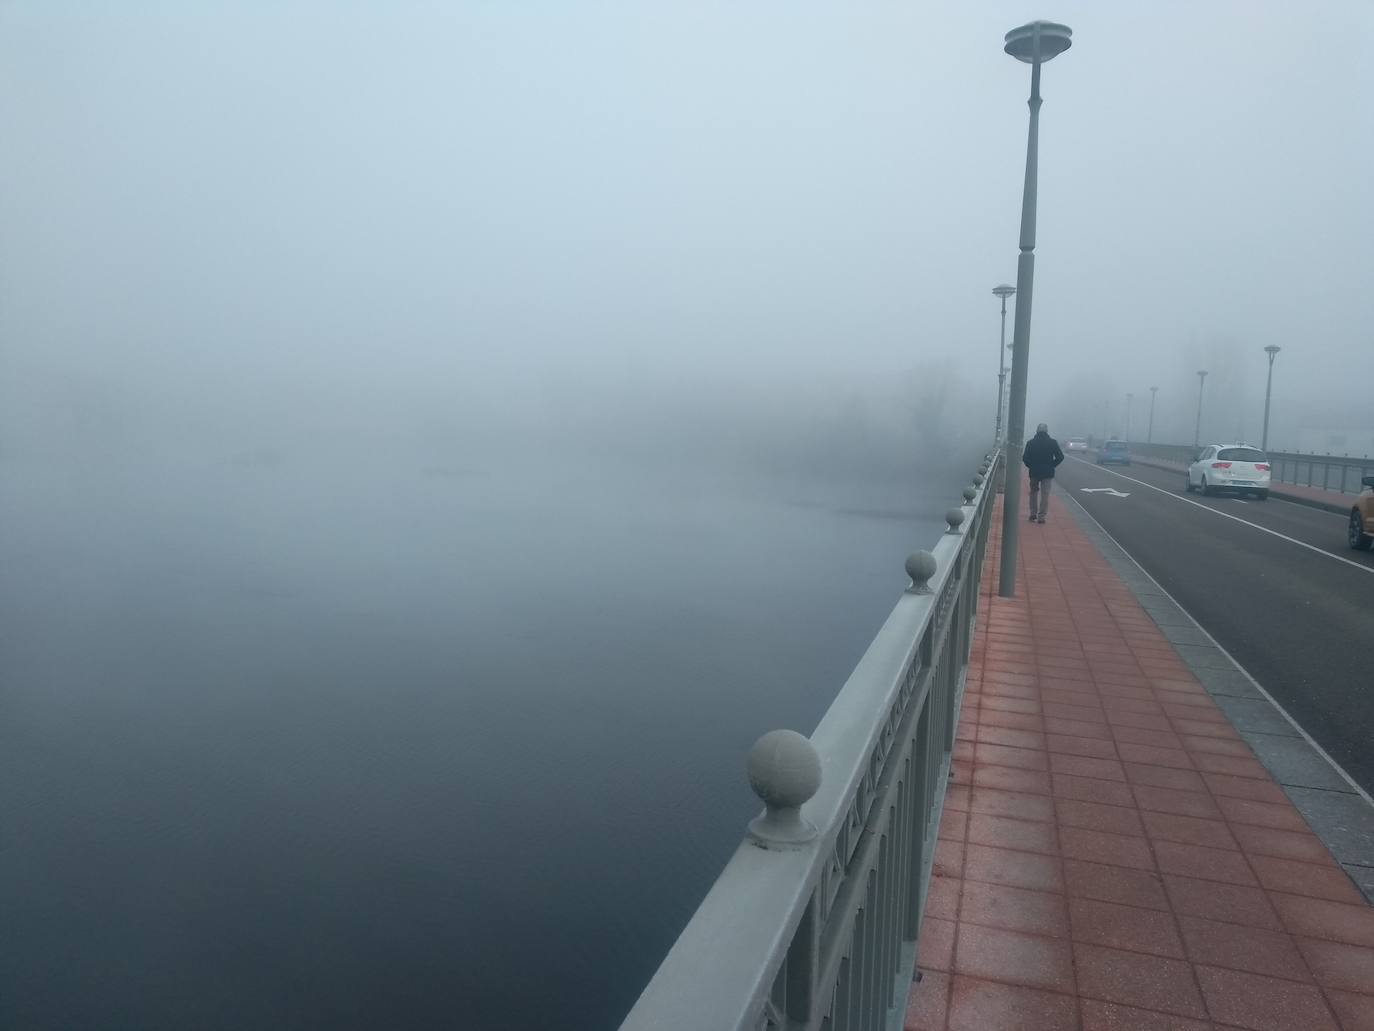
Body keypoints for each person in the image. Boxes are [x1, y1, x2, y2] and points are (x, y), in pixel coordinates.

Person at [1021, 423, 1064, 524]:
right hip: (1047, 473)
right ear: (1047, 431)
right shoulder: (1053, 443)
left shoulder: (1030, 443)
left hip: (1034, 472)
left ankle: (1033, 513)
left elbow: (1025, 458)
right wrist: (1052, 465)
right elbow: (1060, 457)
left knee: (1033, 493)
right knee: (1045, 495)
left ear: (1037, 431)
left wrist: (1031, 466)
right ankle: (1041, 516)